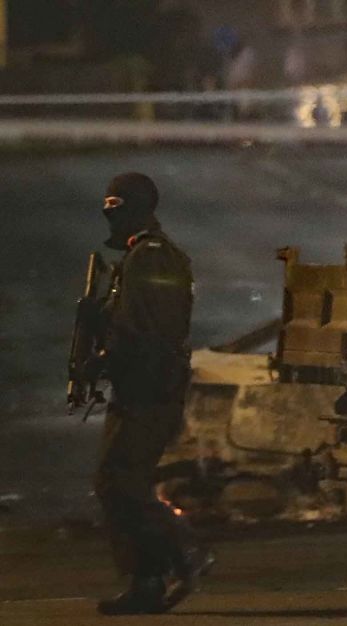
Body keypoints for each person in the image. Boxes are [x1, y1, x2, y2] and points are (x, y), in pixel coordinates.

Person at [91, 173, 213, 615]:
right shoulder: (140, 256)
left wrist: (114, 356)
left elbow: (154, 331)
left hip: (150, 388)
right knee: (117, 482)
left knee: (119, 480)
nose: (110, 216)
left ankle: (185, 551)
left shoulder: (153, 257)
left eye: (116, 208)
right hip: (139, 386)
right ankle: (146, 581)